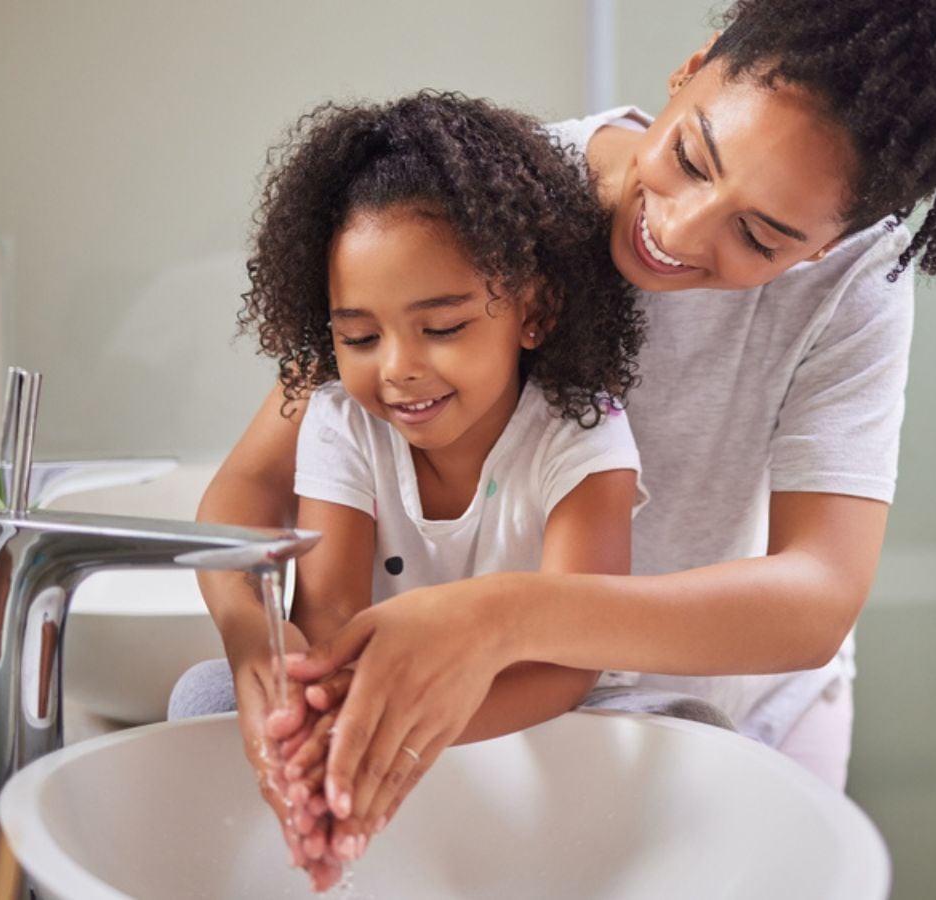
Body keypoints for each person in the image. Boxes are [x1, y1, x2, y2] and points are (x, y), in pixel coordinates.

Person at [189, 0, 936, 882]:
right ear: (693, 67)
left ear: (829, 245)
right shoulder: (491, 202)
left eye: (760, 236)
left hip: (731, 716)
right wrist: (251, 645)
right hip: (497, 706)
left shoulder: (851, 290)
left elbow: (818, 597)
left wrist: (504, 613)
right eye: (692, 157)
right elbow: (253, 484)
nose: (674, 230)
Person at [174, 92, 650, 888]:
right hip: (376, 694)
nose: (397, 367)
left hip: (543, 708)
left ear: (532, 310)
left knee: (689, 728)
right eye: (359, 337)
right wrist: (325, 741)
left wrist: (405, 733)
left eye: (442, 328)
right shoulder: (342, 421)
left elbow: (572, 663)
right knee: (203, 697)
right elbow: (327, 616)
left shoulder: (583, 433)